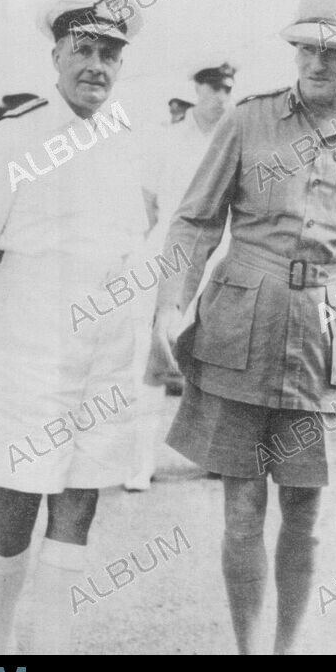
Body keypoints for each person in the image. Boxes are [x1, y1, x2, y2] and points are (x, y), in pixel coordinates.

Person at [152, 0, 336, 655]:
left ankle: (287, 646)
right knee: (239, 512)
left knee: (307, 517)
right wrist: (173, 304)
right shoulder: (247, 121)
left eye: (333, 51)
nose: (316, 61)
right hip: (240, 337)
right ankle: (249, 649)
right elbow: (194, 219)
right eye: (307, 46)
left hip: (321, 348)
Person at [0, 0, 148, 654]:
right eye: (84, 49)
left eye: (109, 54)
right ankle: (0, 643)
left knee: (82, 502)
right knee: (18, 502)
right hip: (27, 350)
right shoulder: (13, 137)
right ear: (56, 55)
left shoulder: (127, 142)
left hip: (104, 355)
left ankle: (51, 646)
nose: (96, 65)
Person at [126, 61, 237, 491]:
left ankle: (215, 456)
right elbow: (148, 204)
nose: (221, 98)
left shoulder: (230, 141)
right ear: (196, 89)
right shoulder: (166, 139)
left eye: (227, 89)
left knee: (216, 359)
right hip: (167, 257)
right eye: (213, 88)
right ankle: (140, 463)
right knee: (153, 359)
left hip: (218, 257)